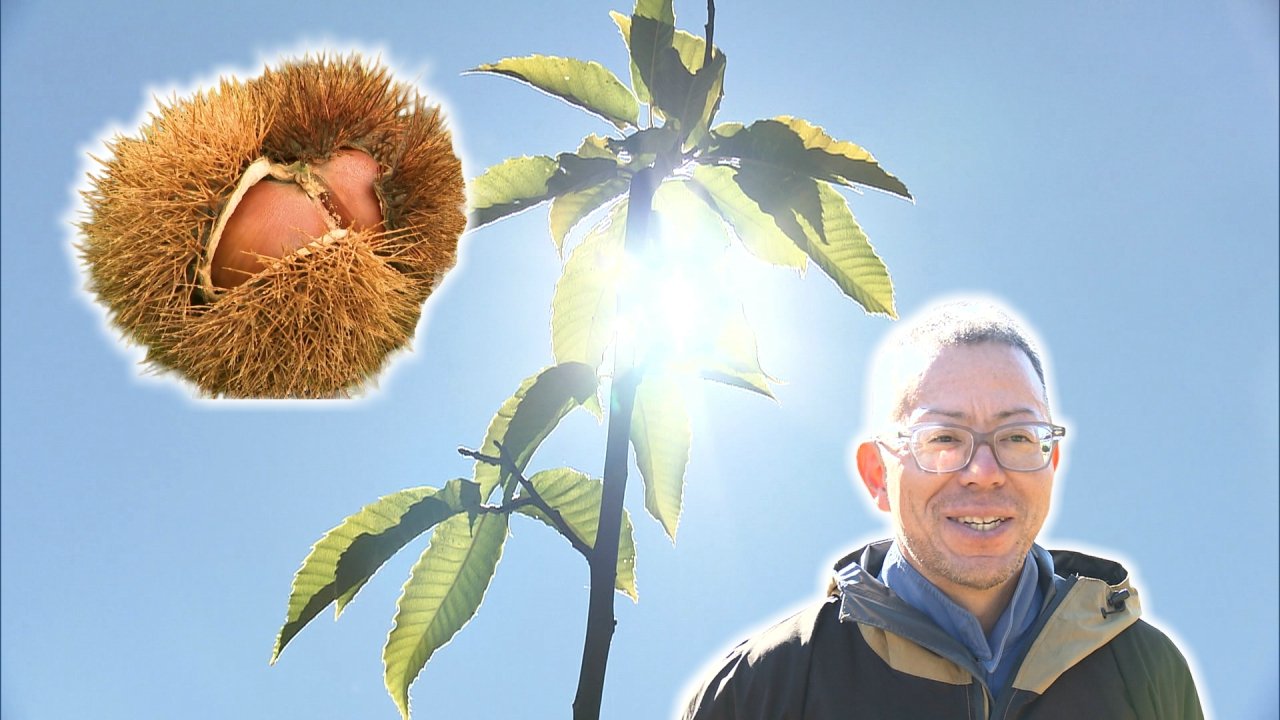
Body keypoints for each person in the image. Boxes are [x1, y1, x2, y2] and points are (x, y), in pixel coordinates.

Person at [680, 298, 1204, 719]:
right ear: (877, 474)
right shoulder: (761, 688)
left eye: (1018, 436)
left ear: (1051, 462)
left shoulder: (1145, 669)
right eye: (943, 438)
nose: (984, 471)